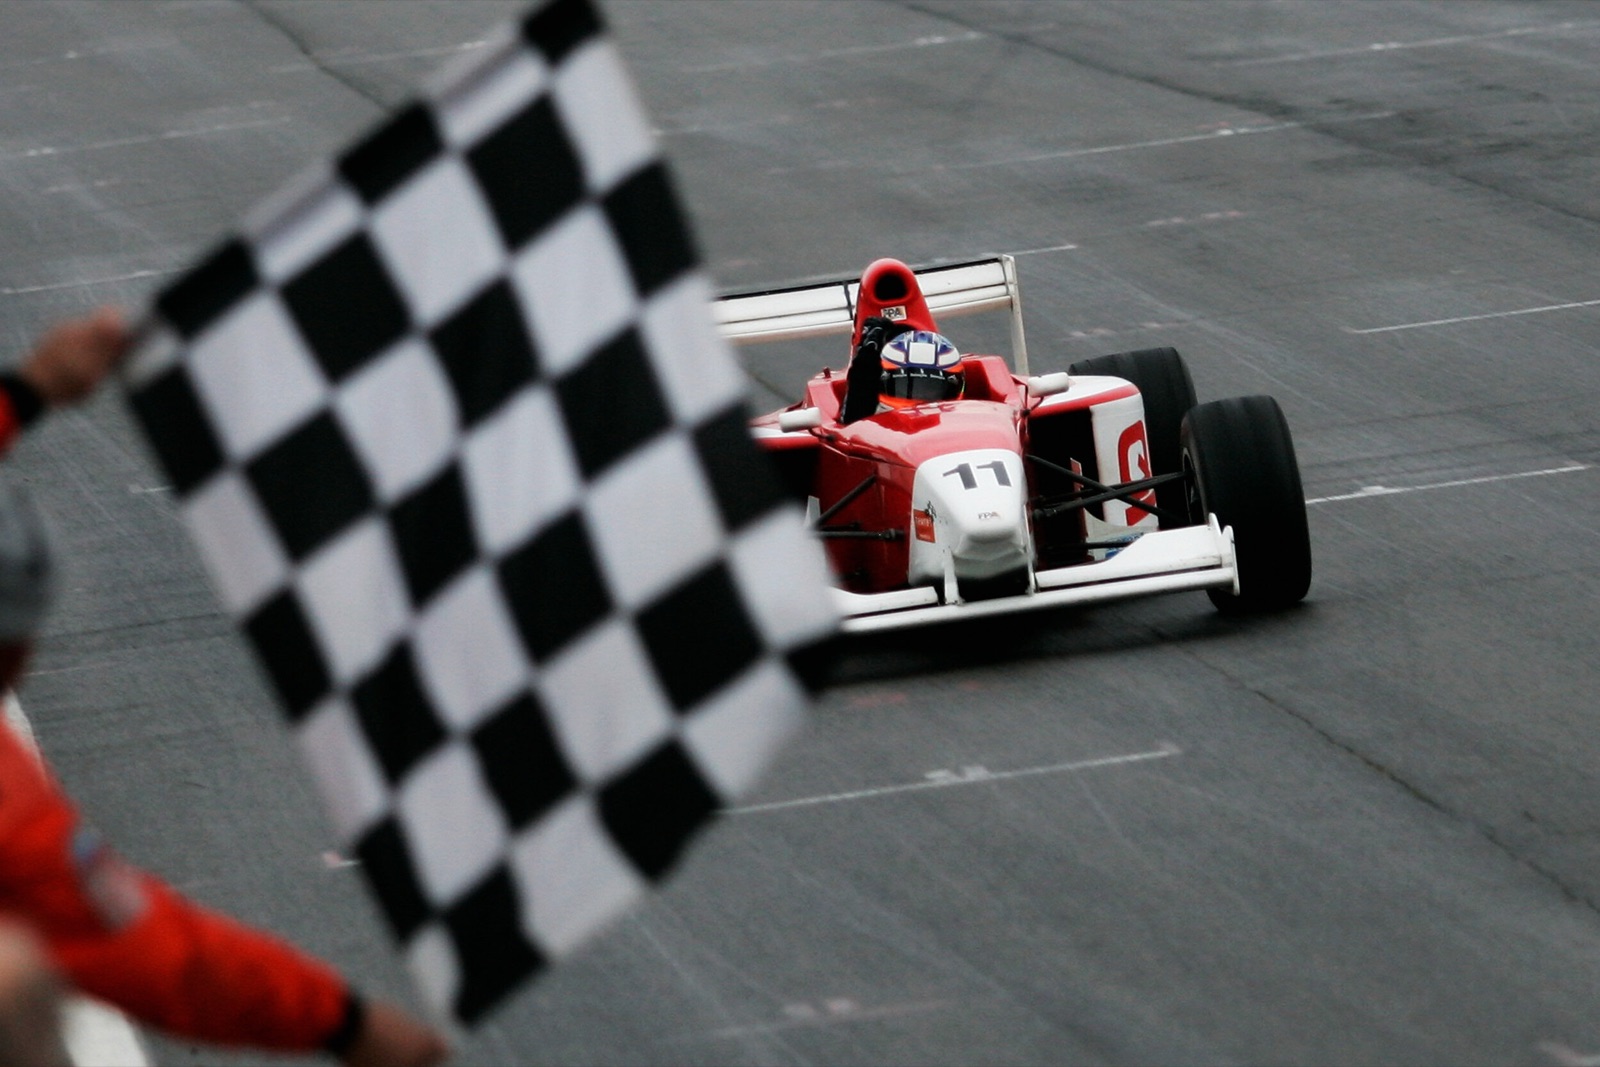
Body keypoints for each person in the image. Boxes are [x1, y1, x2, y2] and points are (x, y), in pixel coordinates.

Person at [0, 308, 449, 1067]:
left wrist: (31, 389)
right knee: (14, 988)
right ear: (14, 654)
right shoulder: (14, 821)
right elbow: (162, 955)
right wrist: (345, 1021)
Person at [837, 259, 965, 424]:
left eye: (929, 389)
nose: (920, 403)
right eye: (909, 388)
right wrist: (864, 365)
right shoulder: (865, 420)